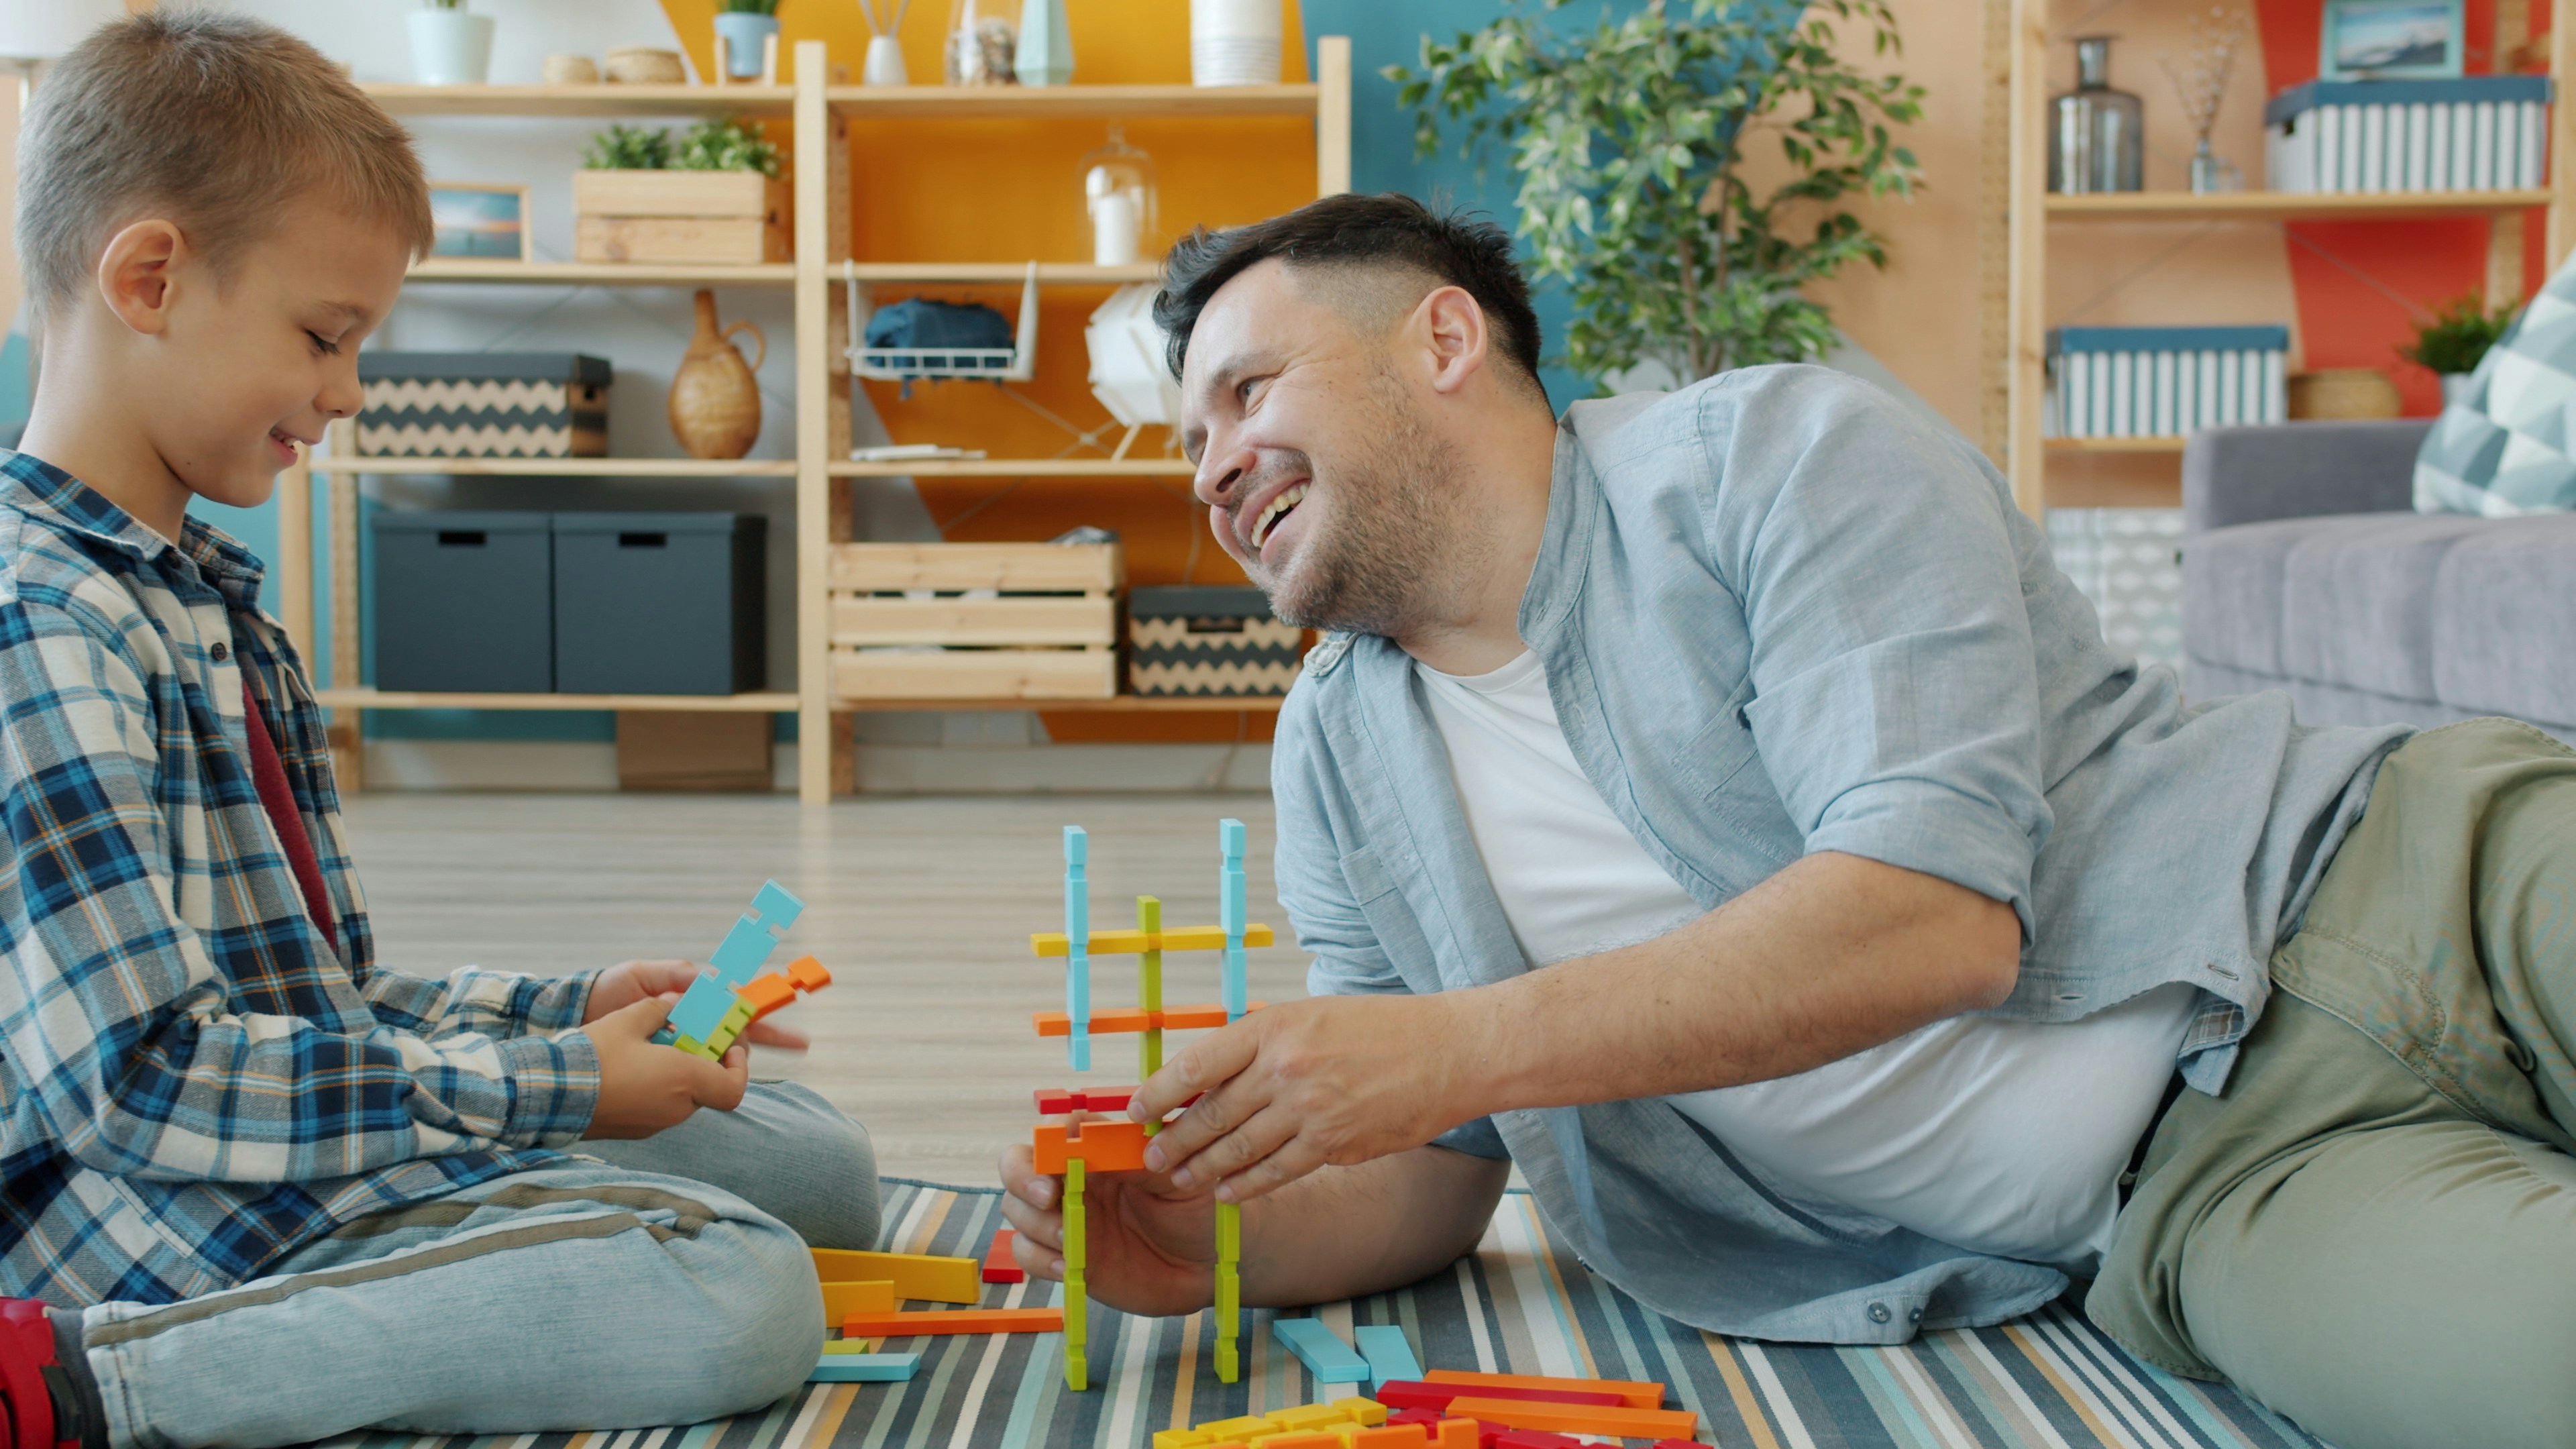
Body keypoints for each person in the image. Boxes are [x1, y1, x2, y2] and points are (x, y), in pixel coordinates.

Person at [998, 191, 2576, 1449]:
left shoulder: (1776, 456)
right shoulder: (1337, 754)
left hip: (2404, 877)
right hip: (2208, 1200)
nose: (1211, 469)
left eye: (1245, 392)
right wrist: (1213, 1248)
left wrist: (1444, 1046)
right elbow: (1436, 1167)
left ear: (1442, 340)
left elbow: (1930, 917)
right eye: (1190, 437)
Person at [0, 15, 876, 1448]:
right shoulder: (42, 621)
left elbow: (304, 1008)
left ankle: (490, 1236)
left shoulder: (202, 601)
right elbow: (145, 1082)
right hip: (132, 1213)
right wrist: (556, 1091)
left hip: (259, 1136)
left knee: (818, 1169)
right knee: (739, 1289)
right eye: (324, 337)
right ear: (149, 279)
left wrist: (555, 1013)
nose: (348, 392)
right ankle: (92, 1384)